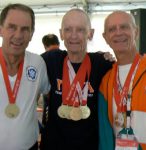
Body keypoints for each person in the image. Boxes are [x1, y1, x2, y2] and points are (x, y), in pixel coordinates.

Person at [40, 8, 113, 150]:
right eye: (68, 30)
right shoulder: (50, 60)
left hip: (89, 145)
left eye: (80, 30)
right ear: (61, 33)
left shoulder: (103, 64)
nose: (73, 36)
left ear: (90, 33)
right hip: (53, 145)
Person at [0, 3, 50, 150]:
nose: (18, 35)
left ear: (31, 34)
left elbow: (48, 93)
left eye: (25, 29)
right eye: (12, 27)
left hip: (30, 147)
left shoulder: (38, 63)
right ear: (1, 29)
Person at [99, 10, 146, 150]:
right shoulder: (106, 81)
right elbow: (105, 132)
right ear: (105, 37)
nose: (118, 32)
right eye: (112, 29)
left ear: (136, 31)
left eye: (124, 27)